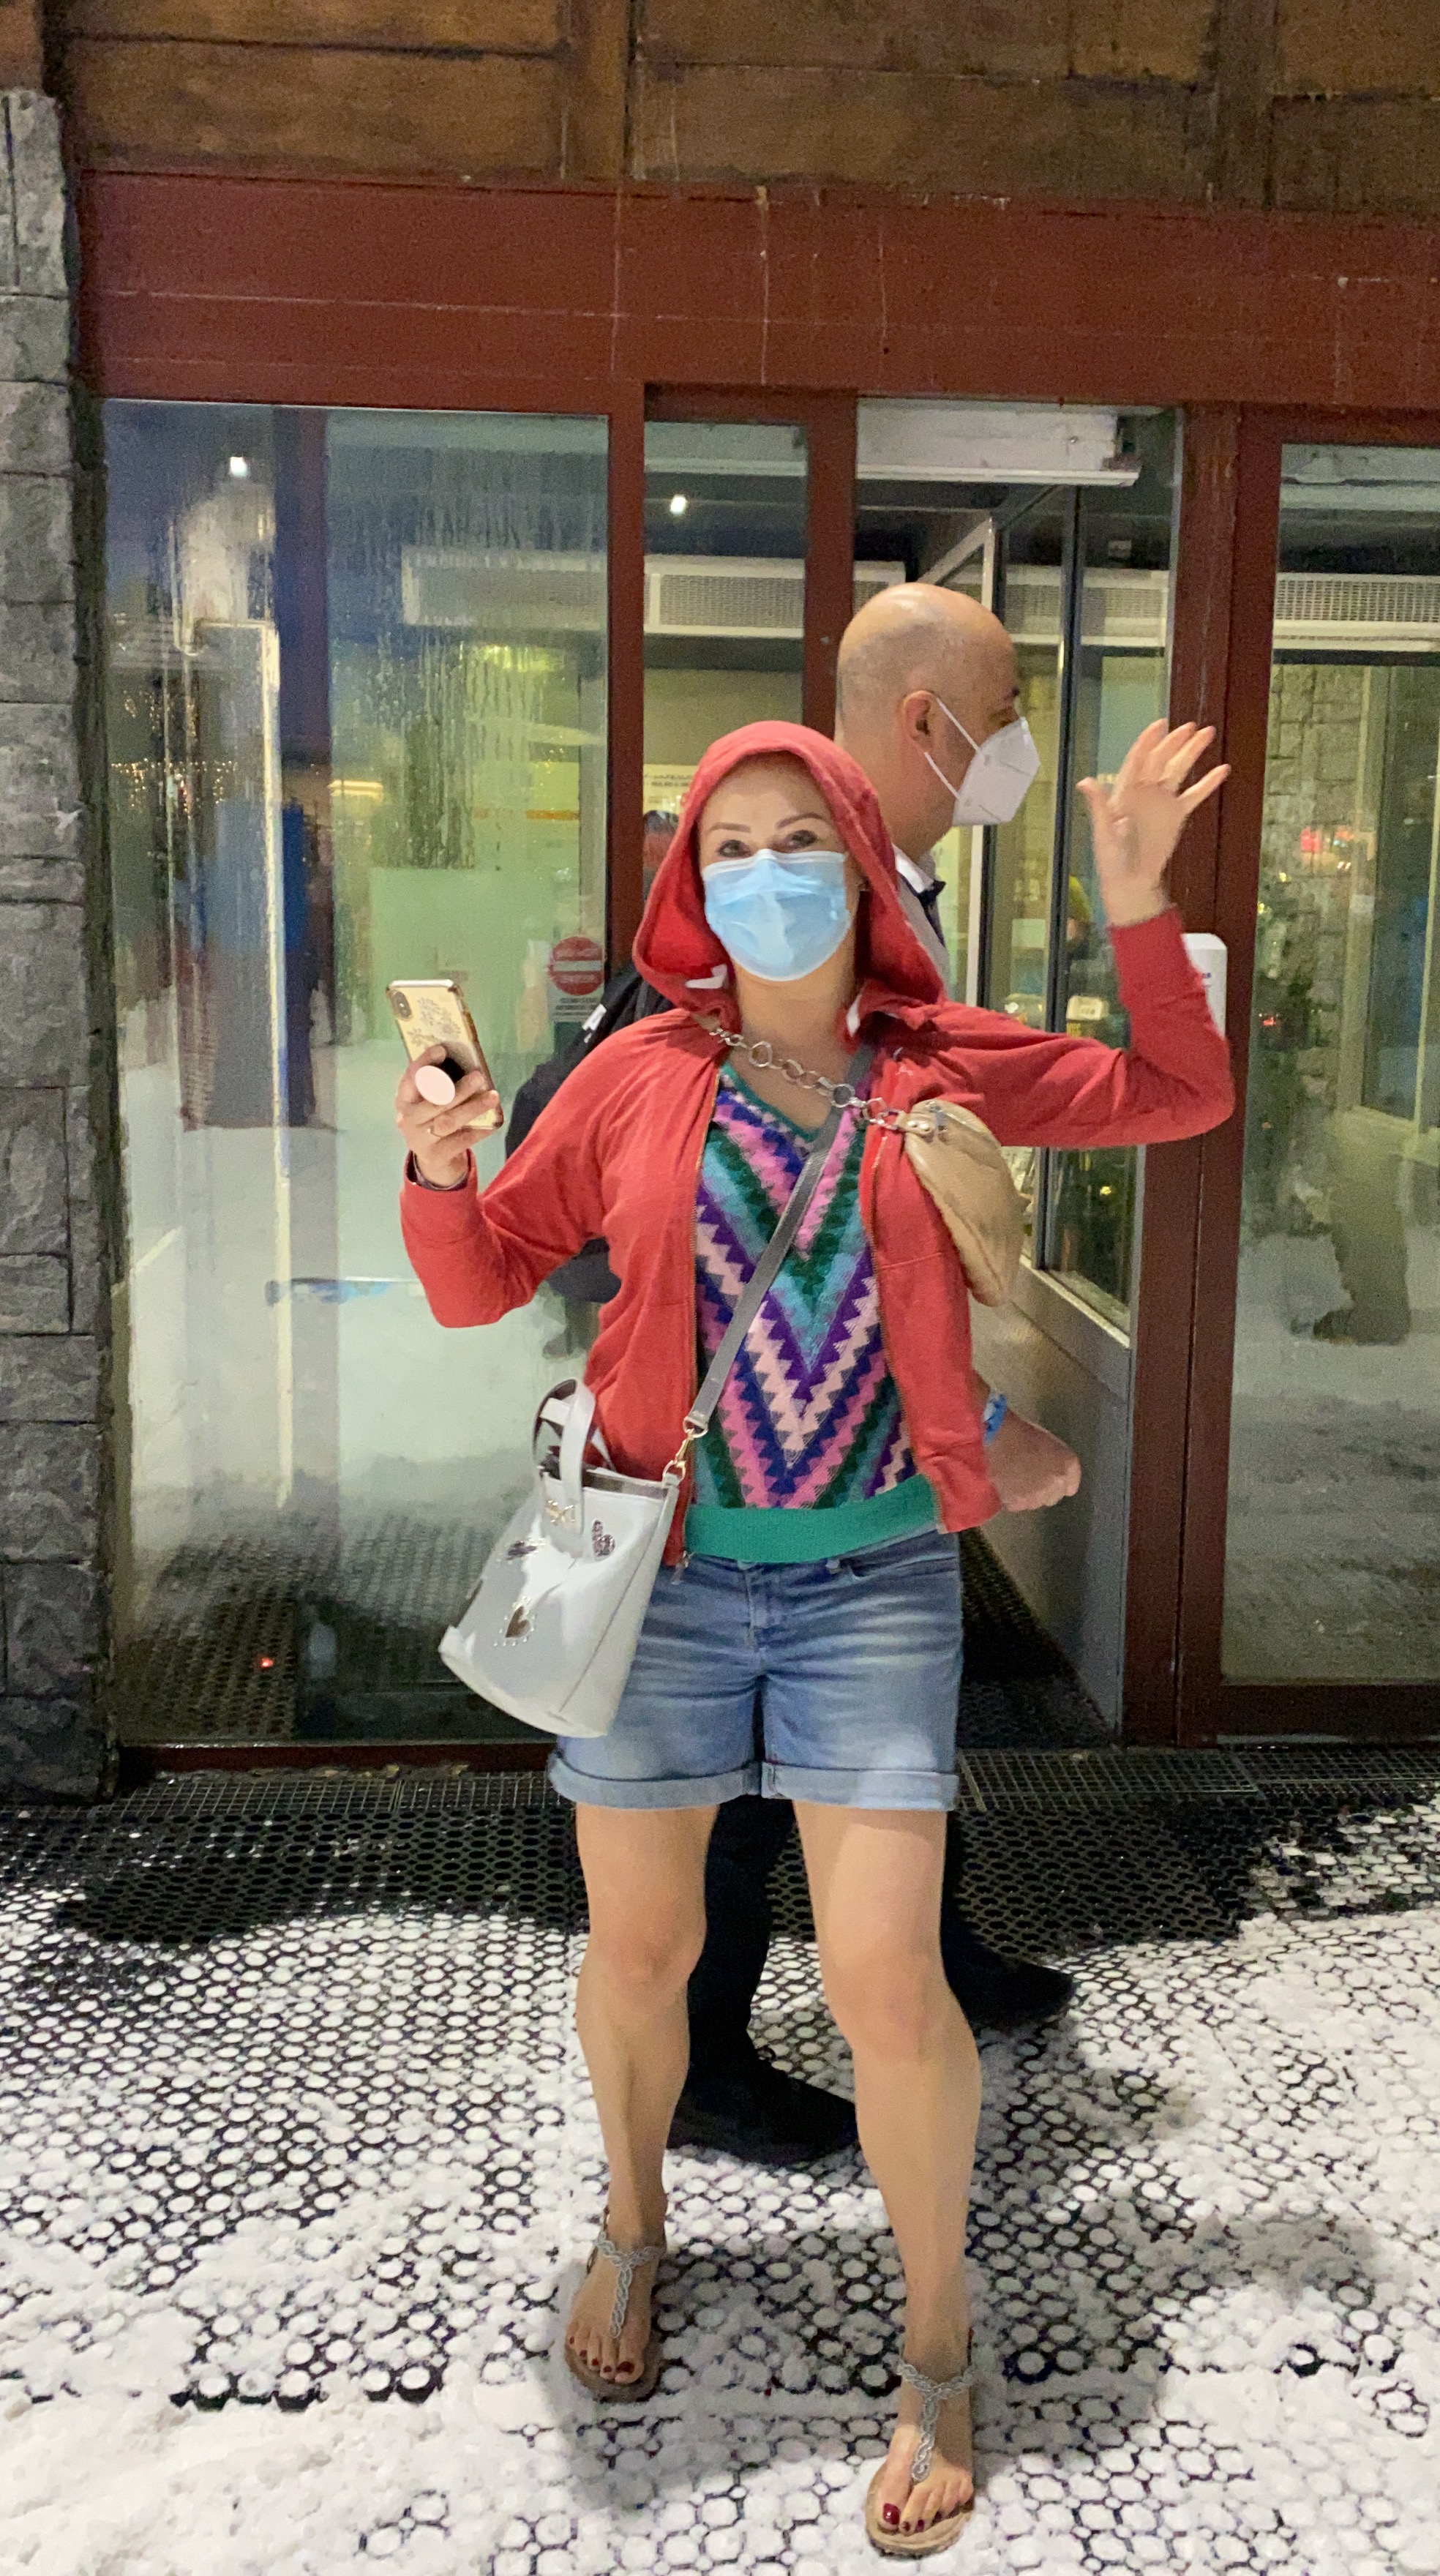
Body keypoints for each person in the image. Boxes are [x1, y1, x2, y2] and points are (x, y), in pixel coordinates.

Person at [397, 712, 1231, 2550]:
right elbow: (480, 1283)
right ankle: (634, 2224)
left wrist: (1138, 908)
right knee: (642, 1951)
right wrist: (445, 1168)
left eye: (800, 839)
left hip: (873, 1592)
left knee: (886, 1982)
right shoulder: (636, 1073)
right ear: (691, 885)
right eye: (730, 845)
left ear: (860, 868)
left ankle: (939, 2343)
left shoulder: (939, 1061)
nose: (767, 873)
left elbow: (1179, 1092)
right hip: (664, 1586)